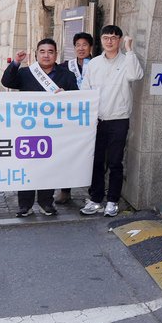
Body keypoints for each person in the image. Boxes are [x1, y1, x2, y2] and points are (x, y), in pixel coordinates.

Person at [0, 38, 77, 217]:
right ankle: (24, 205)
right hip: (29, 128)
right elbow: (7, 82)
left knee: (48, 166)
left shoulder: (67, 75)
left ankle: (46, 203)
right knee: (27, 165)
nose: (46, 55)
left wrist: (67, 96)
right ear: (36, 54)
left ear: (56, 54)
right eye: (42, 51)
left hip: (54, 129)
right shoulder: (26, 72)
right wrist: (16, 63)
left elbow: (76, 100)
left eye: (50, 52)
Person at [79, 25, 143, 218]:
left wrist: (129, 50)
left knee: (115, 162)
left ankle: (112, 201)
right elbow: (85, 90)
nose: (109, 41)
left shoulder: (127, 60)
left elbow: (136, 75)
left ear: (120, 40)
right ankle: (96, 199)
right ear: (101, 40)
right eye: (106, 37)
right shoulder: (94, 64)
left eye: (114, 38)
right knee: (96, 161)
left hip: (119, 119)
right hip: (97, 121)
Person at [54, 31, 94, 205]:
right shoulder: (65, 66)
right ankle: (65, 191)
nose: (81, 48)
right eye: (78, 45)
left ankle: (94, 192)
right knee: (68, 153)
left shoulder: (97, 64)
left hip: (92, 116)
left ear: (90, 47)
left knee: (93, 154)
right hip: (70, 118)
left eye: (84, 45)